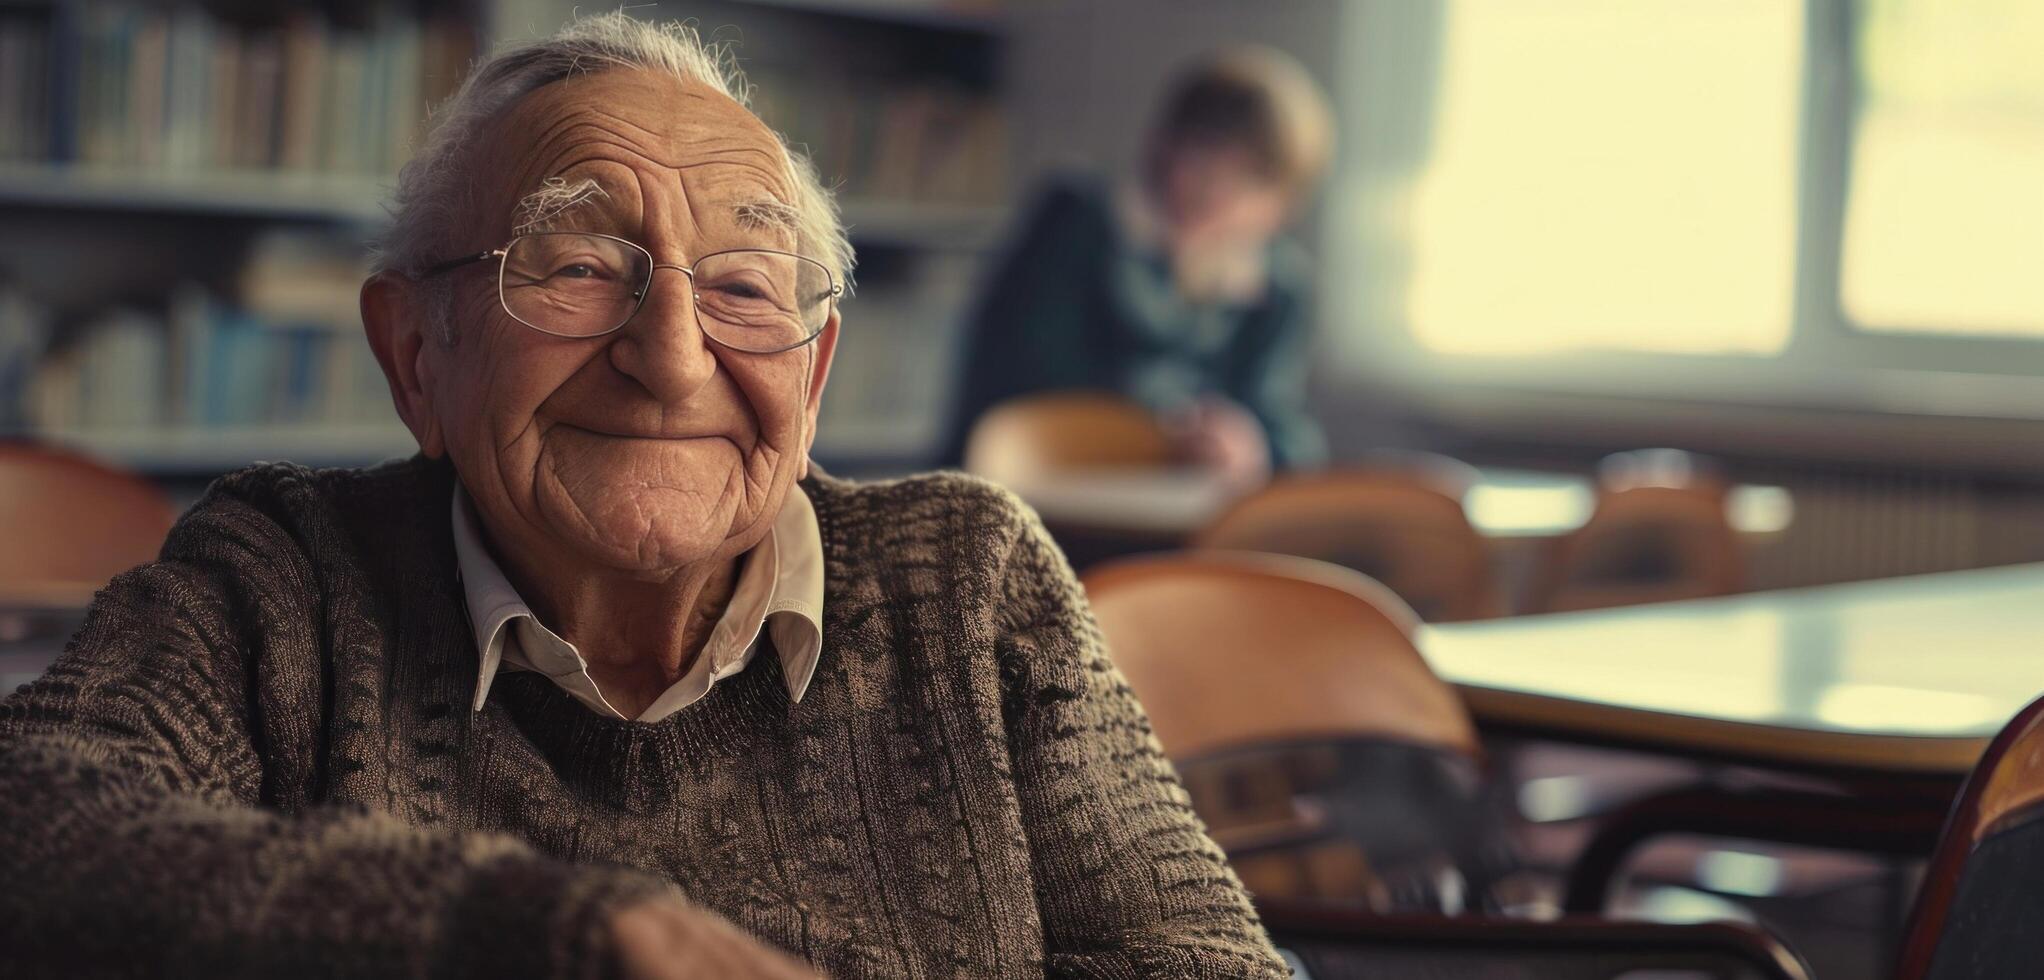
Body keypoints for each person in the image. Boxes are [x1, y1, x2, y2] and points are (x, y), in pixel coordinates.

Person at [0, 14, 1287, 979]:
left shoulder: (971, 577)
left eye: (741, 287)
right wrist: (546, 929)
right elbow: (33, 826)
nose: (674, 356)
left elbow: (1209, 958)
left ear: (815, 369)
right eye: (572, 264)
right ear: (415, 355)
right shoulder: (281, 579)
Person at [942, 46, 1335, 482]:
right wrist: (1173, 425)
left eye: (1251, 176)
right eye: (1205, 155)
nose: (1218, 190)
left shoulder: (1278, 287)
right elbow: (1031, 380)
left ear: (1283, 204)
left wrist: (1250, 444)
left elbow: (1288, 433)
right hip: (1041, 498)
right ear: (1164, 146)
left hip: (1184, 519)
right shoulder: (1078, 221)